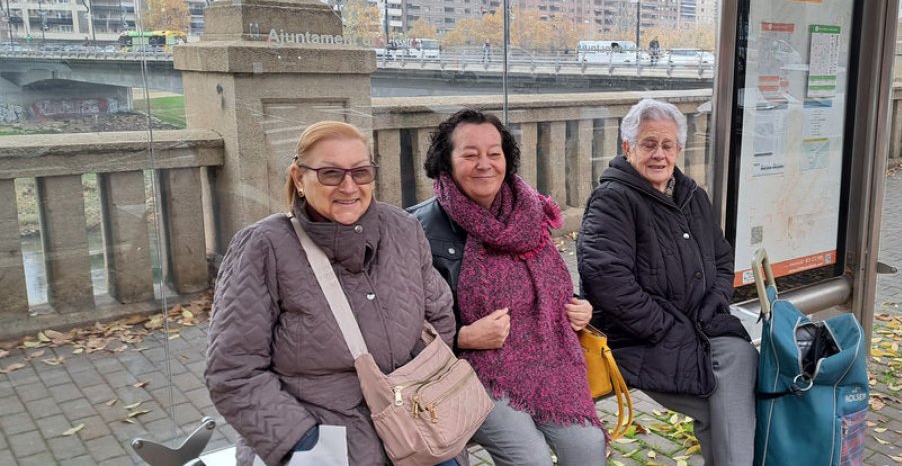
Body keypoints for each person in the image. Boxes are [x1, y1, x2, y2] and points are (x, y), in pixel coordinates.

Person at [206, 121, 459, 466]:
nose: (349, 186)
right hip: (322, 437)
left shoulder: (403, 228)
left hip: (413, 424)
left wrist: (420, 388)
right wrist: (302, 442)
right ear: (299, 178)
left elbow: (439, 317)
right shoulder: (264, 247)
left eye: (361, 172)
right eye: (330, 174)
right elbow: (233, 371)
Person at [409, 109, 606, 466]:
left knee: (588, 446)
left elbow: (548, 287)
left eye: (494, 153)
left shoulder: (528, 214)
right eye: (470, 154)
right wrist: (463, 337)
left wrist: (578, 307)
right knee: (530, 459)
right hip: (469, 371)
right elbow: (401, 328)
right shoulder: (417, 229)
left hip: (547, 358)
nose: (484, 164)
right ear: (446, 163)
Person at [577, 98, 758, 466]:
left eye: (668, 145)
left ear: (679, 149)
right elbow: (608, 284)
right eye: (648, 144)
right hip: (640, 339)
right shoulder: (613, 201)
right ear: (628, 147)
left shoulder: (692, 196)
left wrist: (713, 304)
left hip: (700, 327)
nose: (659, 154)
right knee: (727, 400)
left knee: (742, 374)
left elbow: (723, 260)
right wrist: (670, 329)